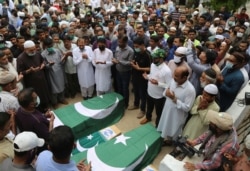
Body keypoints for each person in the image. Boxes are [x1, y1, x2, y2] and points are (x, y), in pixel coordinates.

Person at [157, 66, 196, 145]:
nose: (174, 77)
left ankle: (174, 144)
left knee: (175, 132)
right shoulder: (173, 81)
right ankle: (168, 140)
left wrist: (174, 99)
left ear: (185, 77)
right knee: (166, 127)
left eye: (177, 76)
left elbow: (187, 108)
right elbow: (166, 92)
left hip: (177, 116)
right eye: (174, 75)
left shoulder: (190, 90)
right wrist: (167, 93)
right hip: (167, 110)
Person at [15, 88, 55, 153]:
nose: (37, 98)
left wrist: (44, 116)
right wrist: (51, 122)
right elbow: (49, 137)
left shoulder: (20, 110)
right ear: (31, 104)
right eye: (36, 98)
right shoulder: (37, 121)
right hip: (42, 147)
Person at [140, 49, 172, 127]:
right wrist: (147, 76)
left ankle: (158, 125)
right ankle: (148, 117)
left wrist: (158, 83)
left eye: (156, 58)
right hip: (150, 92)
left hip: (159, 96)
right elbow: (151, 76)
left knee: (159, 112)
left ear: (161, 58)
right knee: (149, 107)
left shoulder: (167, 71)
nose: (153, 59)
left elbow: (169, 85)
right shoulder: (153, 64)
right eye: (153, 58)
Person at [17, 40, 51, 112]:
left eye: (34, 49)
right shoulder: (20, 58)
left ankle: (46, 107)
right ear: (25, 49)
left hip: (42, 79)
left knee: (44, 94)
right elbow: (20, 72)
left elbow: (44, 61)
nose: (33, 51)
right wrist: (29, 70)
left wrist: (43, 64)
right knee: (35, 98)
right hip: (31, 82)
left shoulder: (37, 53)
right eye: (31, 50)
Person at [41, 38, 68, 108]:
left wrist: (64, 58)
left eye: (51, 45)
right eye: (48, 46)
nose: (50, 47)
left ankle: (62, 99)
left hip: (59, 71)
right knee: (53, 89)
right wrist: (49, 65)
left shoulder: (57, 51)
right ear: (45, 46)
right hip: (51, 73)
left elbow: (62, 60)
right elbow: (43, 65)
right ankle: (54, 102)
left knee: (61, 85)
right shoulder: (43, 54)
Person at [128, 37, 151, 118]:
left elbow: (150, 68)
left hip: (143, 78)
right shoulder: (136, 52)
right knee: (136, 92)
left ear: (142, 45)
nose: (135, 48)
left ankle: (142, 110)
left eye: (137, 46)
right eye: (134, 46)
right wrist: (132, 62)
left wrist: (139, 68)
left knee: (143, 94)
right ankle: (136, 104)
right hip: (135, 75)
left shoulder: (148, 55)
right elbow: (135, 60)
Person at [112, 35, 134, 108]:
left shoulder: (130, 51)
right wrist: (114, 60)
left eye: (121, 42)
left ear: (125, 42)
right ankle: (120, 102)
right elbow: (116, 57)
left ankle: (125, 104)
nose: (119, 43)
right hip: (118, 71)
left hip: (126, 73)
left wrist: (119, 62)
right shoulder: (118, 48)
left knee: (125, 89)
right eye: (118, 41)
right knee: (119, 87)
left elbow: (130, 63)